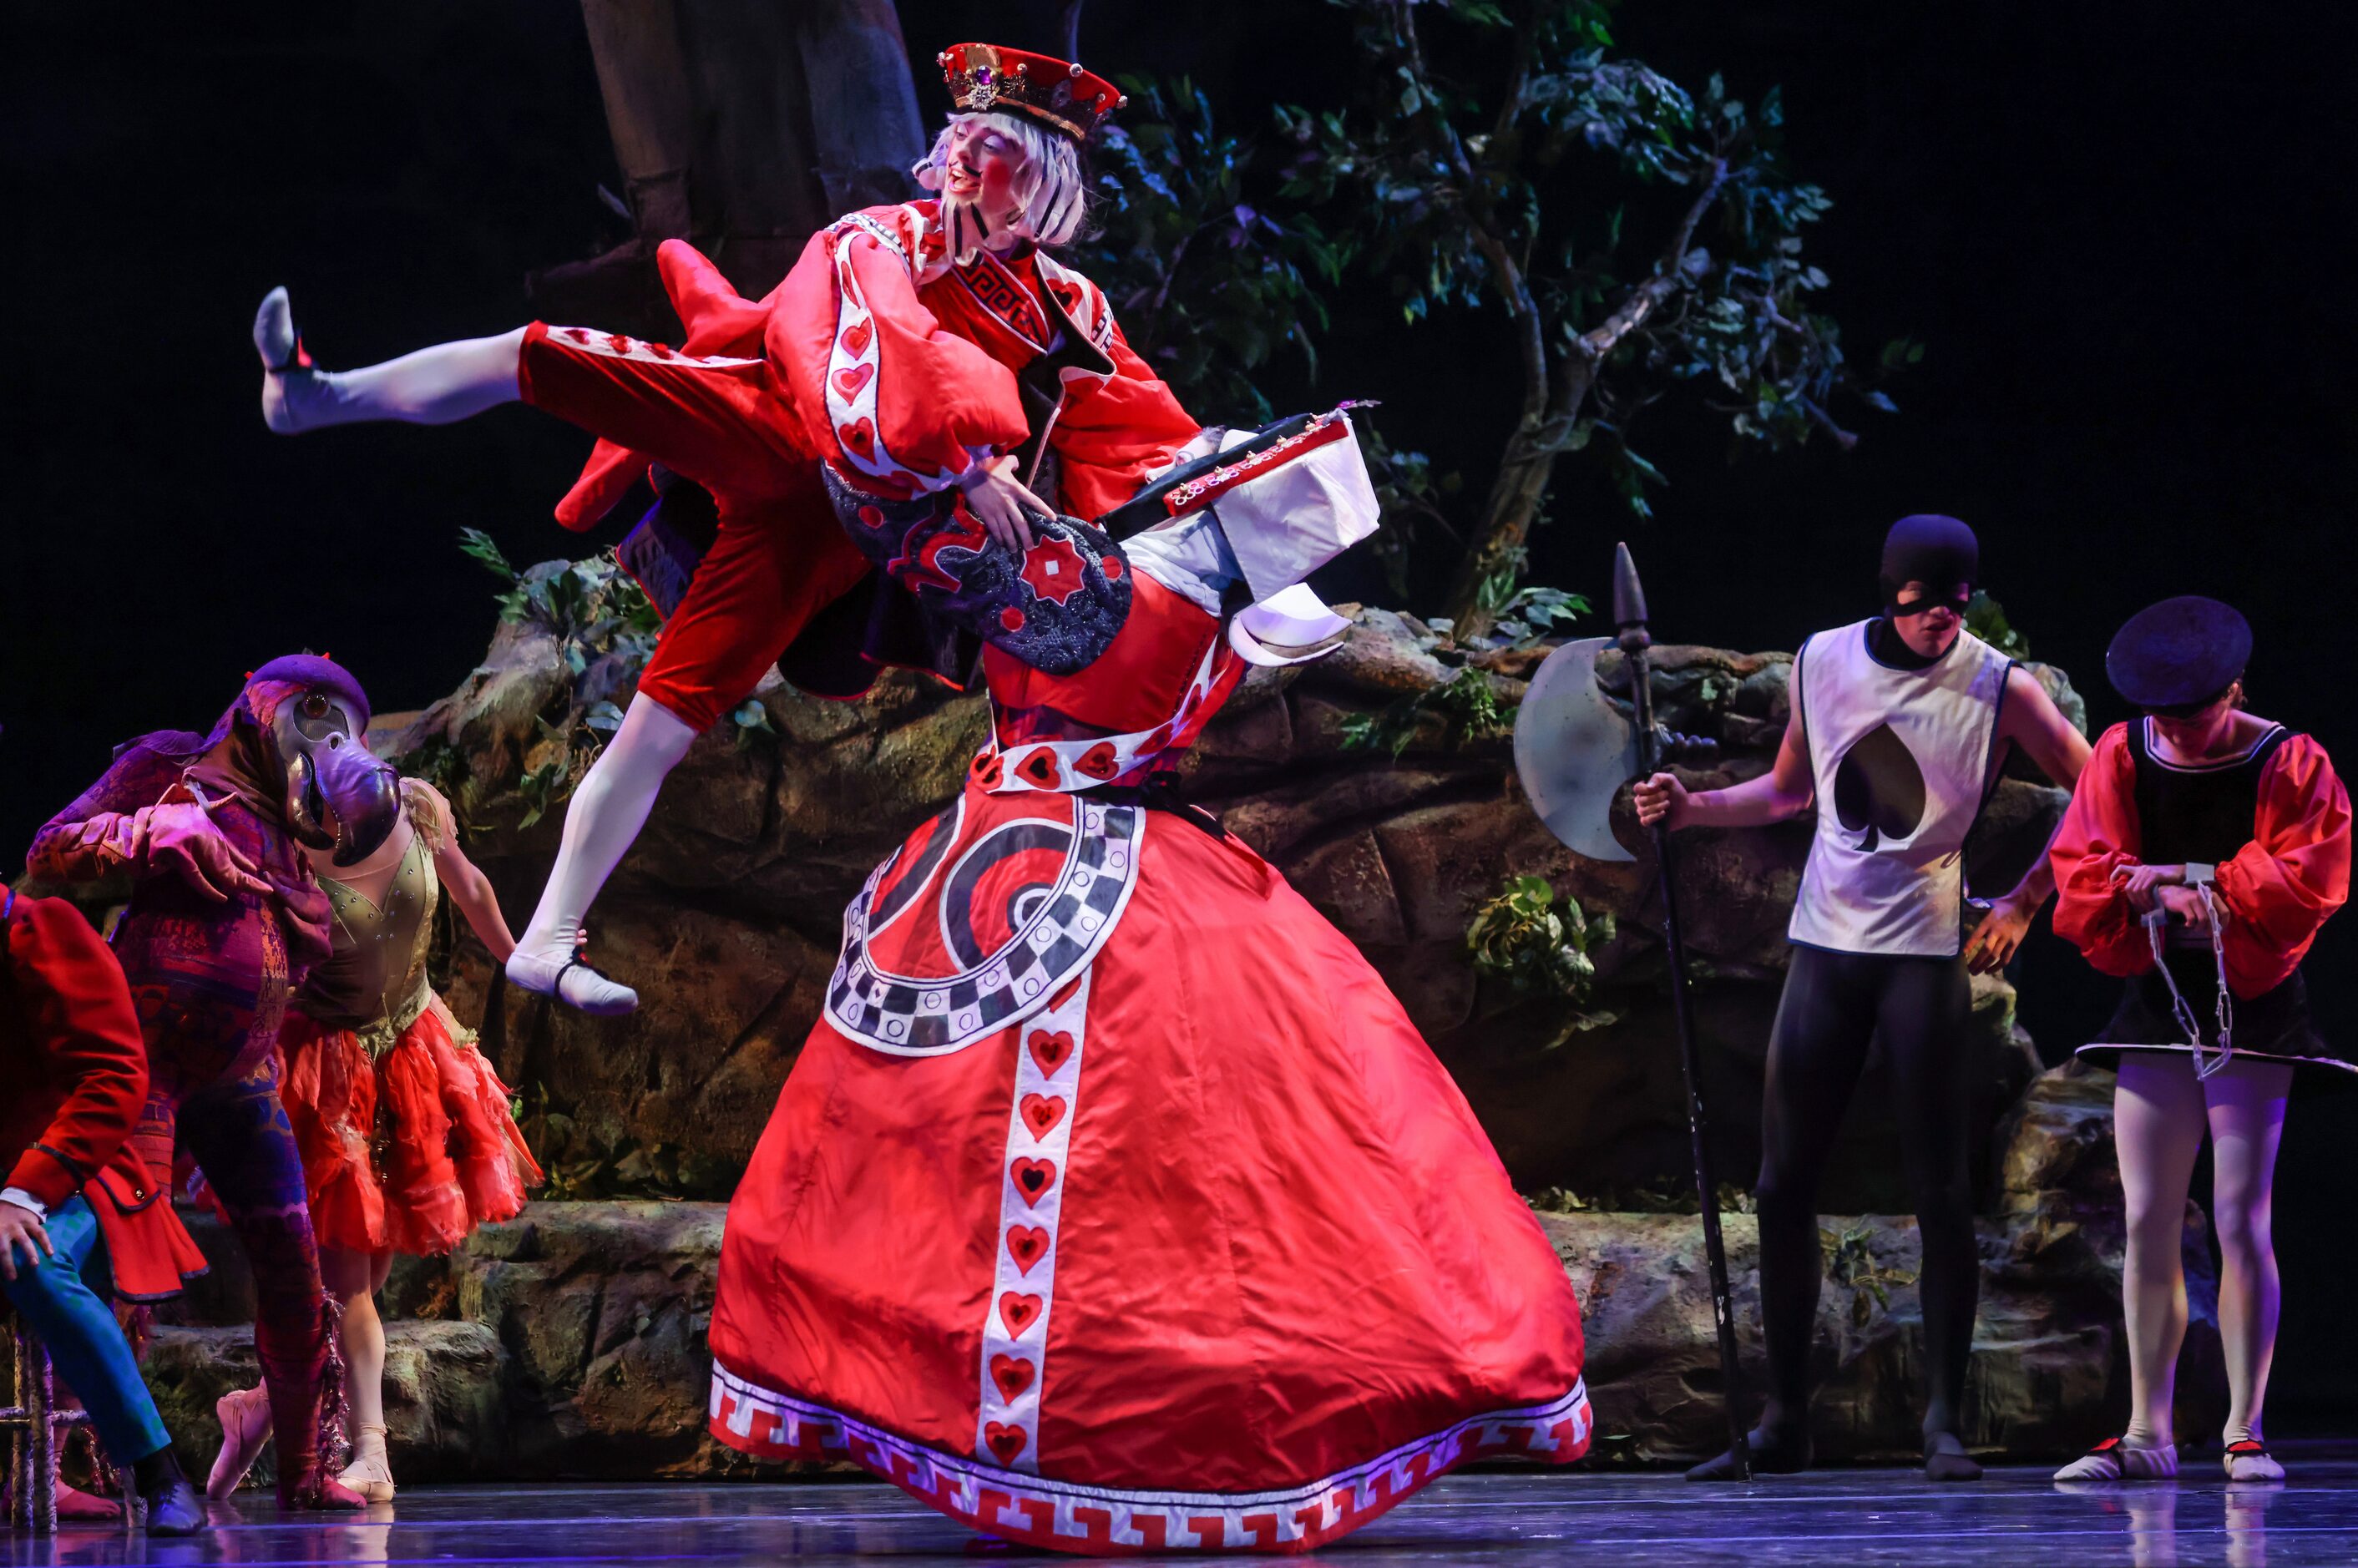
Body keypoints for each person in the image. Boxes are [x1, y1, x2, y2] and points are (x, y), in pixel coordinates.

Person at [700, 353, 1589, 1552]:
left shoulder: (1112, 594)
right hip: (1125, 866)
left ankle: (1053, 1421)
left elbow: (903, 519)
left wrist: (910, 435)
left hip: (1044, 863)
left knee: (1029, 1160)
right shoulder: (1209, 606)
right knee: (1224, 1160)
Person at [246, 40, 1197, 1019]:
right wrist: (967, 459)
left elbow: (1137, 427)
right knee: (544, 354)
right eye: (959, 136)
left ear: (1039, 177)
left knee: (664, 721)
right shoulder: (879, 236)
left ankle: (547, 940)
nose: (962, 157)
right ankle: (316, 395)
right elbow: (862, 343)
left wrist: (1217, 505)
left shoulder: (1066, 306)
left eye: (991, 146)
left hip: (820, 539)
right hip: (763, 429)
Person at [1634, 514, 2092, 1482]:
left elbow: (2097, 795)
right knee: (1779, 1186)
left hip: (1922, 960)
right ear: (1892, 594)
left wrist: (2024, 900)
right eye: (1924, 606)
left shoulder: (1996, 683)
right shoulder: (1824, 659)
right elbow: (1789, 793)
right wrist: (1692, 808)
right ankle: (1783, 1422)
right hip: (1825, 953)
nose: (1940, 624)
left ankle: (1940, 1426)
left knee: (1939, 1194)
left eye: (1955, 606)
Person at [28, 656, 404, 1512]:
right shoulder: (167, 769)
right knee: (115, 1265)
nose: (326, 735)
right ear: (261, 705)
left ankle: (305, 1473)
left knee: (293, 1267)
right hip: (143, 1073)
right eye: (316, 714)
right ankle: (67, 1470)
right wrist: (147, 833)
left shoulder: (291, 825)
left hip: (243, 1076)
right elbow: (47, 849)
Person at [2047, 597, 2349, 1485]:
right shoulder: (2121, 751)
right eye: (2162, 721)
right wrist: (2146, 893)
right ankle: (2147, 1434)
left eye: (2192, 716)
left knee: (2237, 1217)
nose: (2174, 736)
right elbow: (2084, 871)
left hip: (2249, 1008)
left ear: (2233, 689)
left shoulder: (2288, 759)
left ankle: (2243, 1428)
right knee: (2145, 1218)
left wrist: (2183, 879)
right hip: (2157, 999)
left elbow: (2308, 879)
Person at [207, 776, 542, 1503]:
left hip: (412, 1053)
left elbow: (471, 887)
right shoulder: (281, 841)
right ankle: (370, 1453)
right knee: (349, 1282)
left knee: (365, 1273)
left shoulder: (416, 803)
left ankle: (260, 1410)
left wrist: (521, 958)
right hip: (324, 1069)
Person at [1, 888, 211, 1535]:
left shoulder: (43, 930)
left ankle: (159, 1471)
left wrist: (21, 1192)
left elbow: (115, 1076)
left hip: (76, 1180)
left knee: (33, 1261)